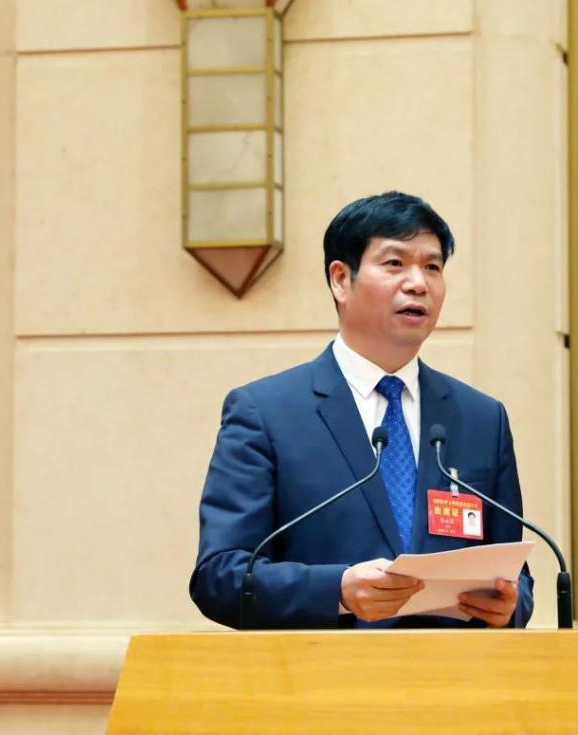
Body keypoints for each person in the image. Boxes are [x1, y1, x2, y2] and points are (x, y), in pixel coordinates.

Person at [189, 191, 534, 629]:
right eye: (395, 263)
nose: (418, 283)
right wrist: (336, 591)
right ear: (340, 280)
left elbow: (514, 574)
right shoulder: (267, 414)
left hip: (452, 670)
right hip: (324, 668)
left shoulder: (482, 419)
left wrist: (511, 606)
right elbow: (220, 576)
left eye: (432, 267)